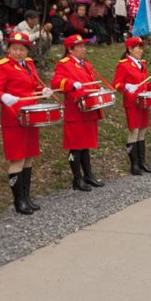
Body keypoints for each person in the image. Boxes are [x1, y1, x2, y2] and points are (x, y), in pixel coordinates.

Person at [0, 29, 52, 215]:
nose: (18, 52)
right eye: (14, 48)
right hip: (14, 118)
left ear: (27, 51)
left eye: (22, 49)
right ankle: (18, 201)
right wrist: (3, 96)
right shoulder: (3, 66)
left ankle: (27, 196)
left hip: (31, 117)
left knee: (29, 157)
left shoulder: (29, 65)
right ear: (9, 49)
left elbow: (33, 86)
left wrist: (43, 90)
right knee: (17, 159)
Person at [51, 34, 107, 190]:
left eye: (84, 46)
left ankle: (88, 175)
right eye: (80, 47)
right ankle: (77, 178)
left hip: (88, 108)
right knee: (76, 146)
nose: (84, 49)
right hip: (75, 110)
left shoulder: (86, 64)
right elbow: (56, 83)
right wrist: (70, 84)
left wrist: (98, 89)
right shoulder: (64, 64)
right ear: (70, 49)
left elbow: (90, 82)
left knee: (86, 144)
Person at [113, 36, 151, 175]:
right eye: (138, 47)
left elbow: (144, 83)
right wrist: (127, 86)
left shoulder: (143, 64)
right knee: (134, 131)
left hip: (143, 102)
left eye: (141, 47)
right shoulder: (123, 64)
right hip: (132, 103)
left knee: (142, 131)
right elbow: (116, 84)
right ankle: (134, 165)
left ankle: (142, 162)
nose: (141, 50)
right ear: (130, 49)